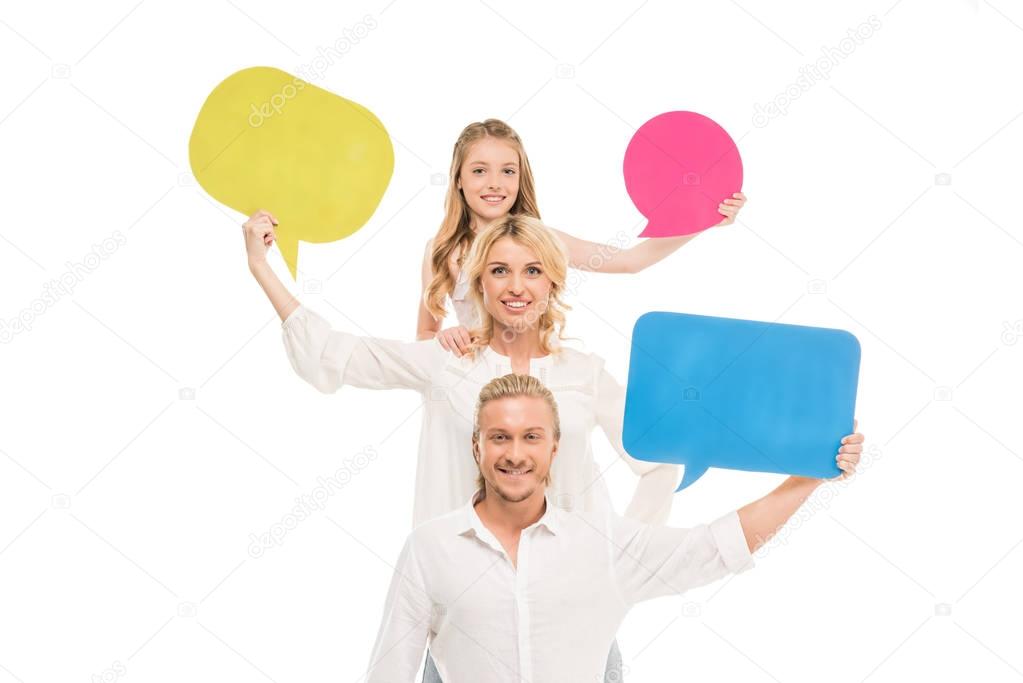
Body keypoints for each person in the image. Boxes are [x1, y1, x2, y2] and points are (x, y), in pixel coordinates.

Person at [244, 211, 680, 679]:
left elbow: (660, 463)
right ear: (478, 284)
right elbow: (333, 354)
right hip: (465, 616)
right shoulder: (447, 363)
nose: (516, 286)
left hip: (575, 615)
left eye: (532, 270)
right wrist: (261, 267)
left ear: (553, 282)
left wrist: (617, 562)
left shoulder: (584, 373)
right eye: (499, 271)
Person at [366, 374, 864, 681]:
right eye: (500, 437)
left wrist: (808, 478)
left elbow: (716, 546)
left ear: (555, 447)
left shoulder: (601, 544)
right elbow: (389, 672)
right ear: (477, 447)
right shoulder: (429, 548)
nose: (515, 454)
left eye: (531, 437)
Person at [418, 118, 747, 356]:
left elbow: (631, 261)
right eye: (479, 170)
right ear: (458, 179)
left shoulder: (541, 241)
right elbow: (425, 334)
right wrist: (445, 338)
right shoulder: (442, 250)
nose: (494, 182)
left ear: (520, 178)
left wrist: (703, 220)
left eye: (507, 170)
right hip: (474, 386)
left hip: (535, 379)